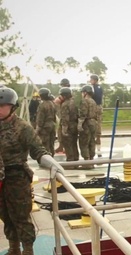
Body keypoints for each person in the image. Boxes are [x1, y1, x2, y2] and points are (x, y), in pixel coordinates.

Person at [0, 86, 65, 255]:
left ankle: (28, 250)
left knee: (21, 217)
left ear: (12, 106)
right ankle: (14, 249)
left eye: (2, 106)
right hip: (0, 179)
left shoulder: (22, 127)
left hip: (17, 178)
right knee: (5, 215)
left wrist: (47, 160)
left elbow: (37, 149)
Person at [58, 87, 79, 168]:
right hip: (75, 125)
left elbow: (65, 118)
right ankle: (76, 161)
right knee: (74, 144)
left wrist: (64, 129)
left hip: (68, 126)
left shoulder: (65, 104)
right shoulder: (74, 103)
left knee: (68, 144)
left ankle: (70, 162)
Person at [78, 85, 98, 169]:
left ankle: (87, 162)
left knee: (84, 142)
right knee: (92, 142)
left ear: (85, 93)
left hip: (86, 123)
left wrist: (79, 124)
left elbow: (83, 114)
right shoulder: (93, 101)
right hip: (93, 122)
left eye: (82, 92)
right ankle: (92, 161)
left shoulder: (84, 101)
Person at [36, 88, 57, 156]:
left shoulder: (42, 105)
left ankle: (48, 159)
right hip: (52, 125)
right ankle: (52, 156)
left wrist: (38, 129)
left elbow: (40, 118)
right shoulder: (52, 103)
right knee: (51, 144)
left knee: (45, 144)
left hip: (45, 127)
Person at [55, 78, 71, 153]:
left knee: (66, 132)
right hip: (62, 114)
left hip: (68, 115)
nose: (62, 86)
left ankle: (66, 147)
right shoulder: (62, 92)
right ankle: (61, 146)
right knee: (60, 131)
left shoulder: (68, 93)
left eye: (63, 85)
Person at [90, 74, 103, 158]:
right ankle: (98, 150)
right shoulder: (100, 88)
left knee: (94, 131)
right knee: (98, 131)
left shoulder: (94, 88)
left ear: (94, 80)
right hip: (99, 108)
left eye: (91, 79)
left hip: (95, 108)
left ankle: (95, 150)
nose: (90, 81)